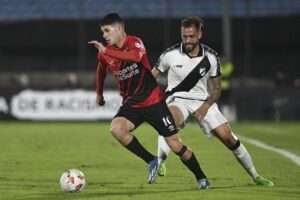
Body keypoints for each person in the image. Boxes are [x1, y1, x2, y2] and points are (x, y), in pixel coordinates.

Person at [88, 13, 209, 189]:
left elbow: (136, 57)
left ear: (119, 29)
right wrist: (99, 93)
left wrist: (107, 51)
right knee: (117, 128)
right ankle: (152, 160)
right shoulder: (105, 53)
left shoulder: (134, 42)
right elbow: (101, 70)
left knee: (174, 144)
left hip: (154, 102)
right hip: (131, 104)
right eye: (102, 32)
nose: (104, 35)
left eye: (107, 31)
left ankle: (201, 177)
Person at [151, 16, 274, 186]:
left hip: (202, 100)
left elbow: (216, 89)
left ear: (200, 34)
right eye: (184, 36)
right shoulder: (169, 54)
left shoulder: (211, 57)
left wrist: (206, 106)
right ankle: (160, 160)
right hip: (177, 99)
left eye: (191, 36)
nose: (187, 40)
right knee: (169, 120)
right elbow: (151, 77)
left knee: (228, 138)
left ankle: (255, 175)